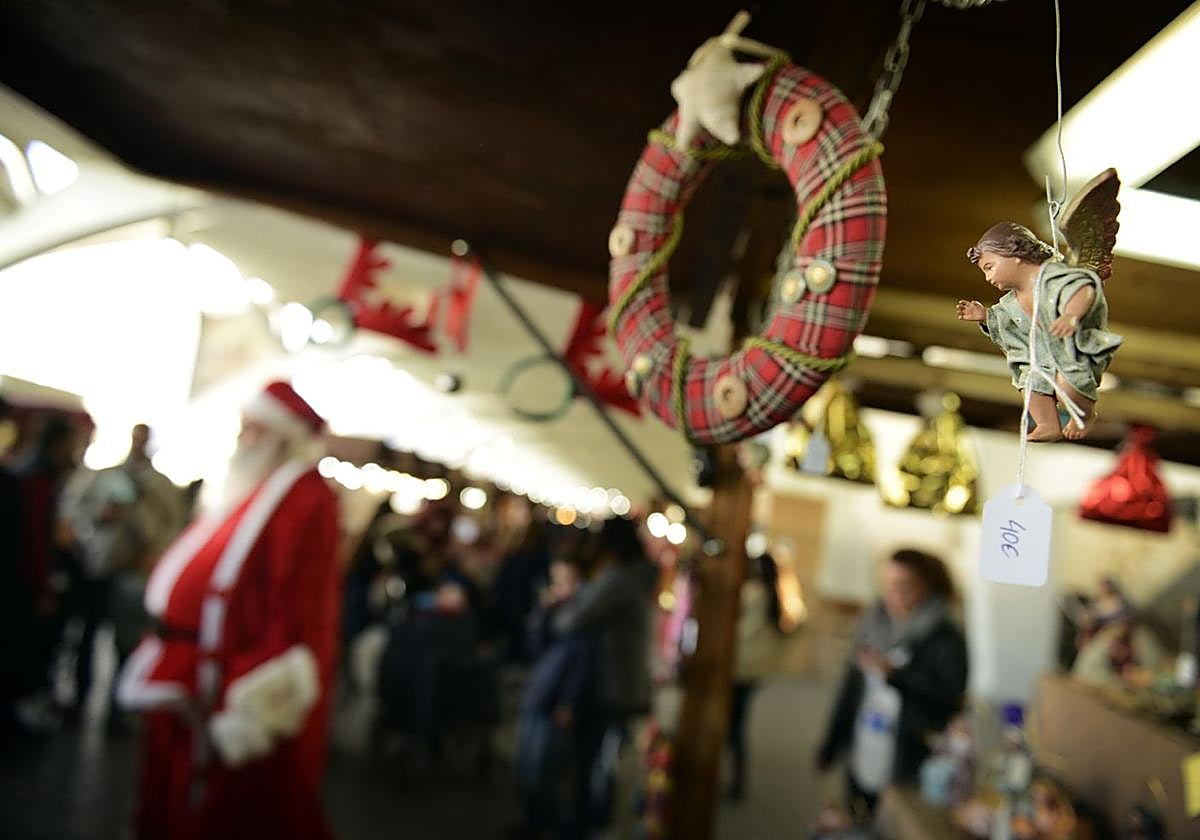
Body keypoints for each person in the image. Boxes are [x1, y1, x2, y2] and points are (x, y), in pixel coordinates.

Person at [117, 381, 341, 840]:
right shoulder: (249, 492)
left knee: (225, 806)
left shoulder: (302, 497)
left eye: (254, 430)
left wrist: (249, 686)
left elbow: (296, 610)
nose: (243, 440)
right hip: (185, 666)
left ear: (282, 437)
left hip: (222, 680)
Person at [817, 548, 968, 817]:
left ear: (927, 586)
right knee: (855, 816)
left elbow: (950, 698)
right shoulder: (874, 621)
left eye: (903, 586)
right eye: (888, 584)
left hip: (909, 754)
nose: (892, 594)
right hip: (864, 741)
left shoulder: (945, 635)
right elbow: (850, 690)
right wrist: (831, 744)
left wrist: (897, 677)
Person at [957, 220, 1122, 441]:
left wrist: (1071, 315)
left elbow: (1082, 289)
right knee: (1030, 382)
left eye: (990, 267)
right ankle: (1047, 424)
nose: (988, 278)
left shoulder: (1054, 276)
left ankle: (1085, 415)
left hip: (1073, 348)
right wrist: (986, 317)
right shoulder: (1010, 302)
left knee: (1067, 384)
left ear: (1014, 254)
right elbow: (1009, 324)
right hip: (1041, 356)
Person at [552, 516, 657, 839]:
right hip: (624, 683)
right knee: (603, 761)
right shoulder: (638, 577)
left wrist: (563, 601)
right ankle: (594, 819)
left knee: (592, 763)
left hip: (610, 685)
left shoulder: (619, 580)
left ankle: (585, 825)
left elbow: (571, 621)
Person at [514, 556, 595, 838]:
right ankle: (533, 821)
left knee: (541, 770)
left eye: (565, 580)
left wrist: (568, 703)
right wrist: (540, 613)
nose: (558, 587)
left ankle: (548, 824)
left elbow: (581, 664)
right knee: (525, 766)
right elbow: (533, 649)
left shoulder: (582, 617)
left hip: (555, 699)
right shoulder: (552, 613)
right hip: (538, 693)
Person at [727, 552, 785, 802]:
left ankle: (736, 782)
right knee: (738, 725)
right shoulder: (773, 593)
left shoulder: (752, 592)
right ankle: (737, 780)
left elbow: (740, 630)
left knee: (733, 728)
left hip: (739, 667)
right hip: (754, 669)